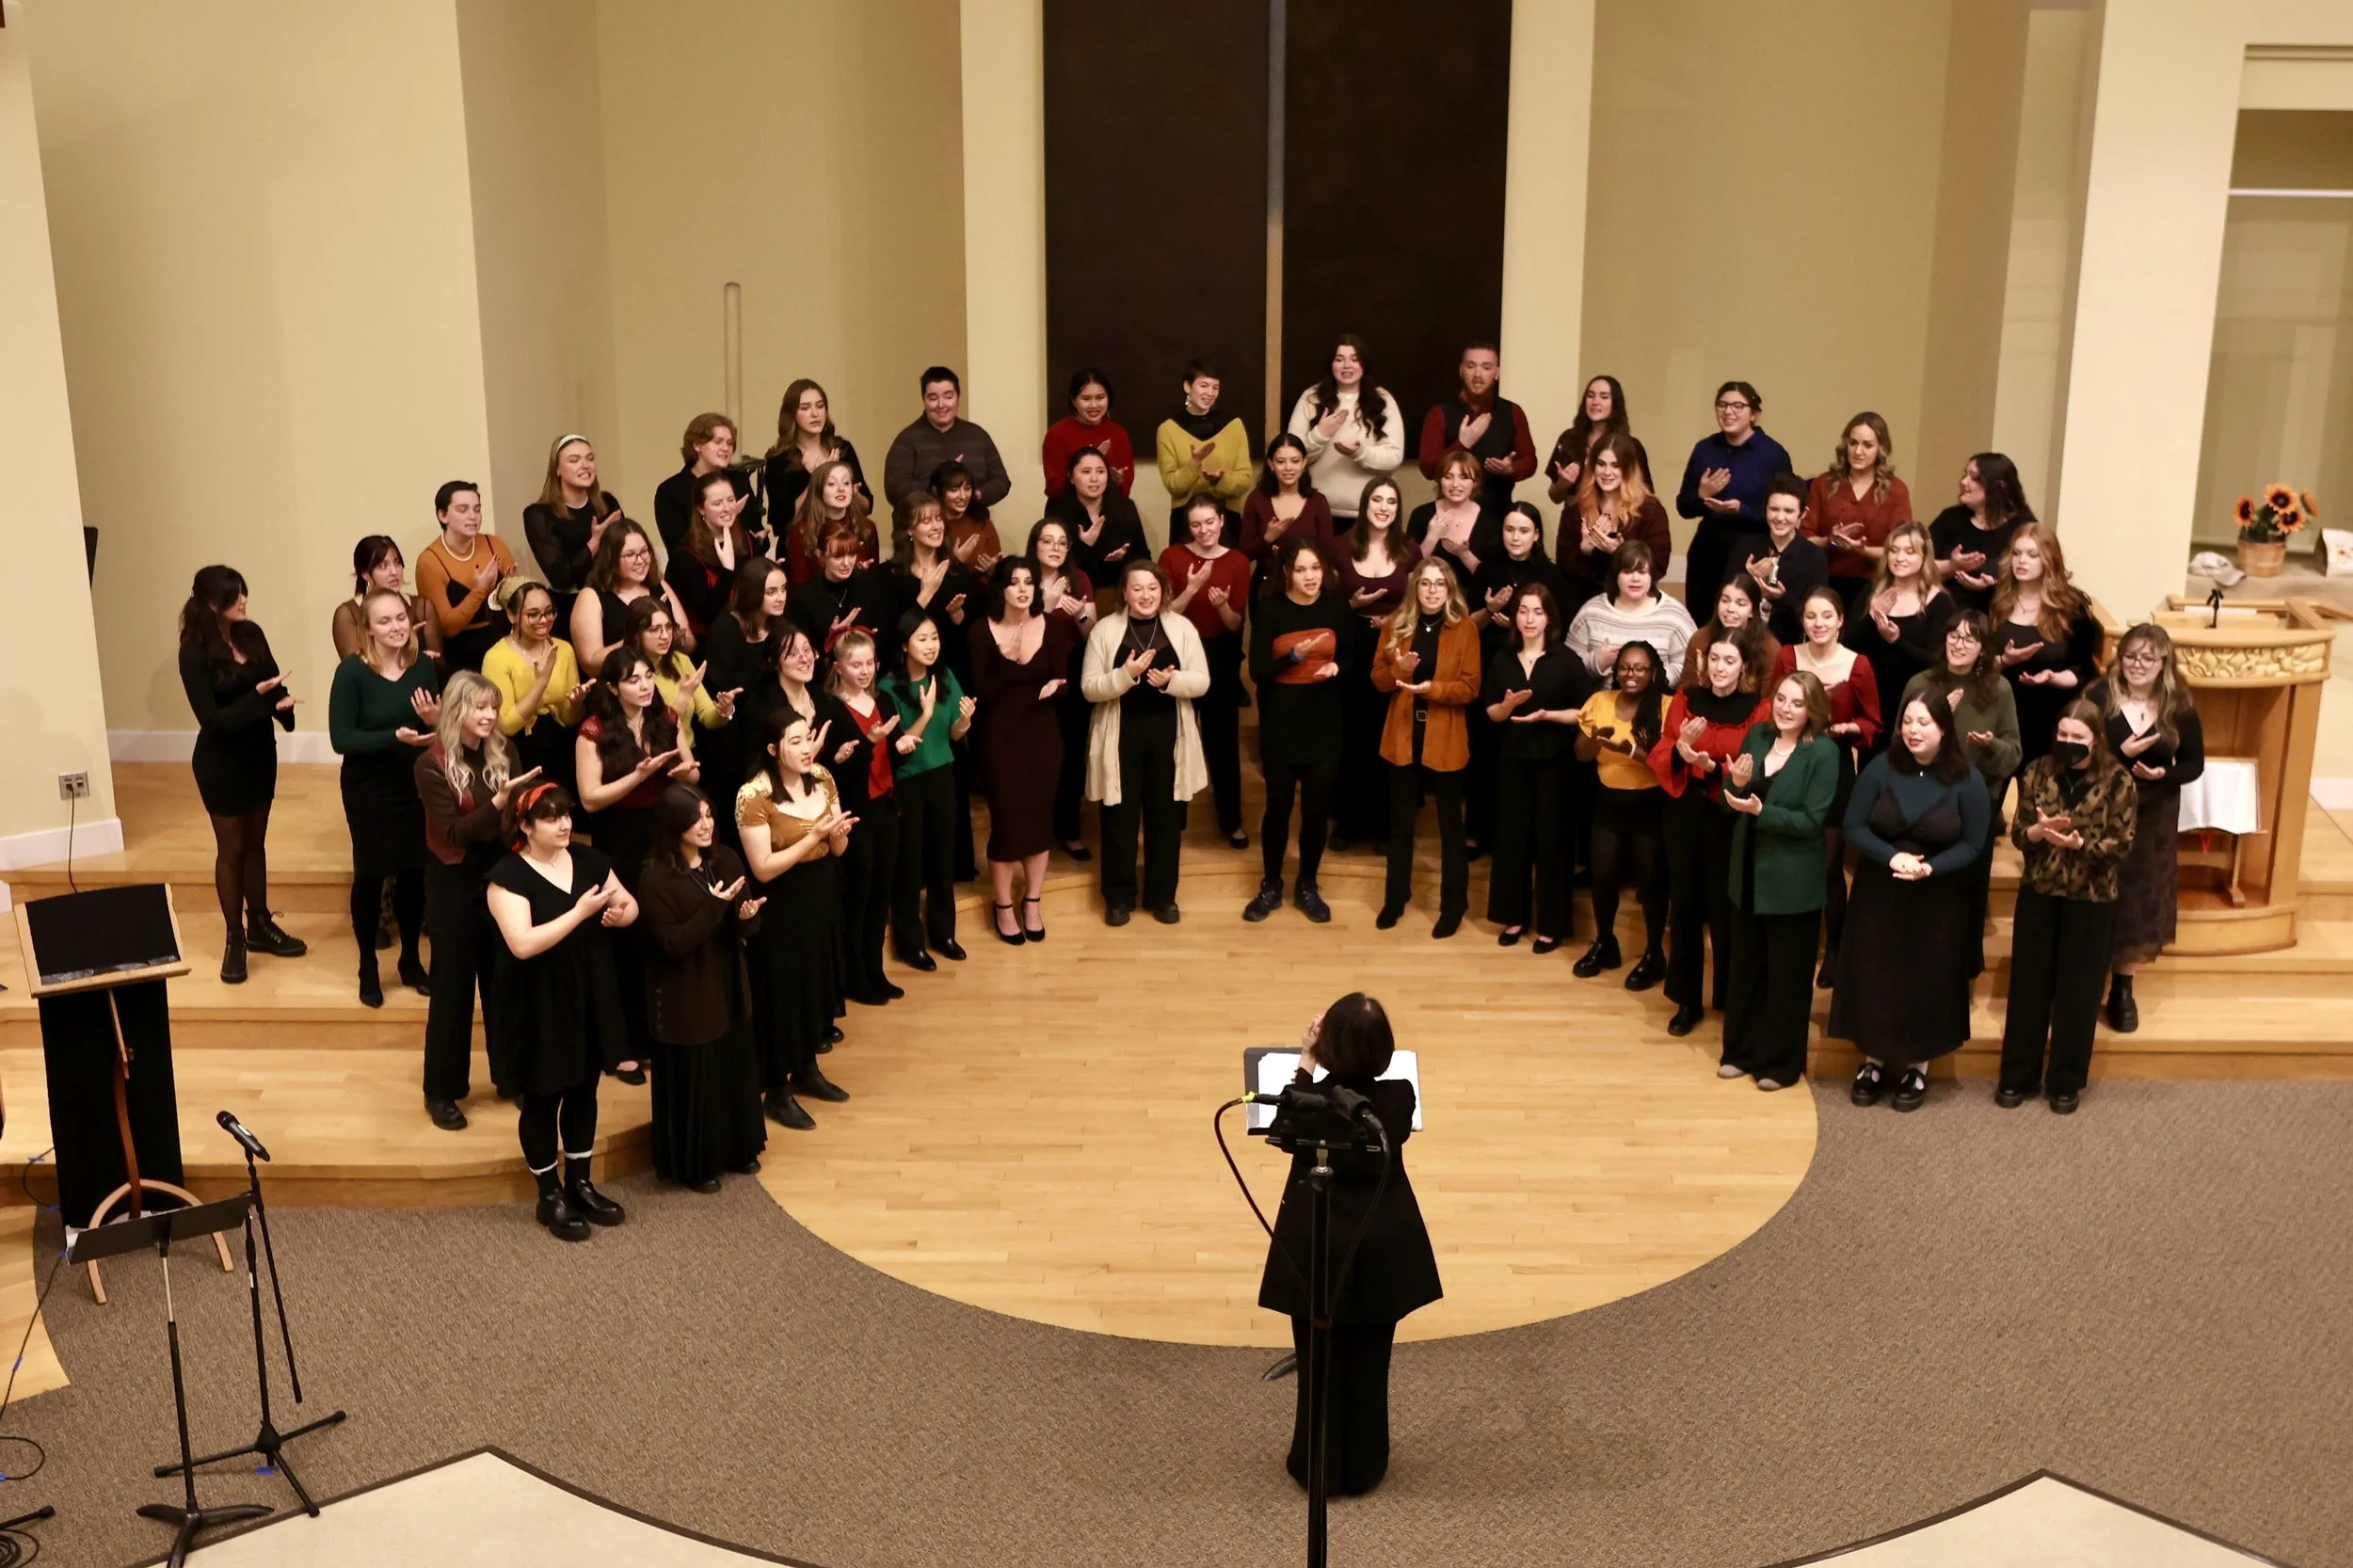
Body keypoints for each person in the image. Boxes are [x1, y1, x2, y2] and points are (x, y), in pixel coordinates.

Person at [1257, 994, 1441, 1497]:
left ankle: (1314, 1464)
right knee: (1369, 1359)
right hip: (1381, 1245)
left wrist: (1306, 1064)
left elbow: (1281, 1130)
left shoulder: (1309, 1106)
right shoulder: (1399, 1097)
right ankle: (1364, 1466)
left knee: (1317, 1360)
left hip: (1317, 1243)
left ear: (1329, 1047)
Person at [484, 782, 637, 1241]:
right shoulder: (506, 876)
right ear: (526, 827)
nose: (565, 824)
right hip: (537, 1001)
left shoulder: (591, 861)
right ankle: (548, 1194)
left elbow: (629, 904)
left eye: (567, 815)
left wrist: (619, 914)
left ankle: (580, 1183)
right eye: (551, 818)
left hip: (587, 993)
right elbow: (523, 944)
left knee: (583, 1089)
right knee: (542, 1096)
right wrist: (581, 912)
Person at [1832, 689, 1991, 1111]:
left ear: (1943, 728)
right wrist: (1892, 856)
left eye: (1923, 723)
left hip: (1937, 893)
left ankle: (1918, 1066)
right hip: (1880, 890)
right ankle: (1874, 1061)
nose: (1913, 730)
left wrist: (1930, 868)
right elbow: (1853, 825)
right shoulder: (1881, 767)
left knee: (1926, 975)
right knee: (1877, 971)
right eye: (1907, 722)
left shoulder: (1967, 779)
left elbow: (1975, 844)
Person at [2000, 700, 2137, 1113]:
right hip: (2040, 891)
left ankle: (2065, 1080)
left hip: (2092, 900)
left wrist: (2082, 845)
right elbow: (2019, 834)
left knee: (2079, 993)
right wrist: (2039, 832)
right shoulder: (2037, 771)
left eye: (2077, 738)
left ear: (2095, 741)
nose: (2068, 743)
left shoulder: (2119, 782)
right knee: (2028, 987)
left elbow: (2123, 843)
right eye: (2063, 735)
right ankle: (2017, 1075)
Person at [416, 672, 534, 1130]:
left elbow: (517, 818)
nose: (488, 716)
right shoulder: (430, 764)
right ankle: (442, 1090)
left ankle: (511, 1076)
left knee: (506, 981)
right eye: (479, 707)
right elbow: (453, 833)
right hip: (454, 884)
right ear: (456, 710)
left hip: (502, 878)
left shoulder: (504, 752)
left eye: (492, 707)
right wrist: (500, 802)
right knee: (453, 989)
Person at [635, 784, 768, 1190]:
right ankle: (697, 1164)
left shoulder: (725, 859)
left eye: (709, 815)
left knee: (732, 1064)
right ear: (675, 825)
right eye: (697, 819)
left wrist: (745, 916)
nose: (706, 825)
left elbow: (747, 926)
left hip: (726, 979)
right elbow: (673, 943)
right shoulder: (655, 878)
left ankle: (737, 1149)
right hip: (685, 991)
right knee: (698, 1074)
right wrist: (715, 906)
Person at [178, 565, 306, 983]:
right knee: (231, 849)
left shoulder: (251, 634)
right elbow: (212, 720)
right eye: (235, 596)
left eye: (244, 593)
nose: (244, 601)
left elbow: (273, 683)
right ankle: (235, 938)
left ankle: (261, 925)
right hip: (221, 761)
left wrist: (282, 708)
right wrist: (259, 699)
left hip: (258, 755)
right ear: (213, 604)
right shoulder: (193, 651)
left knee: (256, 843)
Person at [1718, 670, 1838, 1091]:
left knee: (1786, 976)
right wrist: (1732, 786)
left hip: (1792, 883)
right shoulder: (1758, 736)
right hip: (1747, 872)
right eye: (1781, 699)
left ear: (1813, 711)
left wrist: (1761, 813)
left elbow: (1812, 822)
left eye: (1797, 703)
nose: (1786, 709)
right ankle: (1739, 1051)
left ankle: (1779, 1064)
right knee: (1745, 968)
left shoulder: (1824, 753)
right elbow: (1729, 798)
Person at [738, 712, 856, 1128]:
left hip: (822, 892)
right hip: (781, 902)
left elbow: (839, 849)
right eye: (795, 742)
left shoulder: (823, 776)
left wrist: (839, 832)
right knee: (781, 992)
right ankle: (777, 1087)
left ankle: (807, 1068)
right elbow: (763, 867)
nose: (807, 748)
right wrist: (815, 836)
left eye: (808, 739)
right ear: (773, 750)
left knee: (816, 982)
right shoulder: (754, 795)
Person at [1082, 557, 1211, 925]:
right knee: (1119, 820)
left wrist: (1169, 682)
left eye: (1152, 588)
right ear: (1124, 592)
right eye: (1137, 588)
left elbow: (1202, 680)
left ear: (1163, 591)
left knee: (1166, 820)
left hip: (1169, 735)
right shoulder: (1105, 631)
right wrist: (1126, 675)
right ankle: (1119, 898)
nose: (1145, 595)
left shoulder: (1182, 628)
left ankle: (1162, 897)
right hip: (1120, 735)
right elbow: (1090, 689)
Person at [328, 587, 440, 1006]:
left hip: (415, 780)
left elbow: (437, 723)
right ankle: (368, 965)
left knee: (415, 870)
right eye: (385, 621)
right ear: (368, 629)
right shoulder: (353, 673)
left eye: (400, 618)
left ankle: (411, 959)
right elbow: (342, 738)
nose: (395, 627)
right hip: (369, 785)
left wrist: (435, 718)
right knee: (372, 873)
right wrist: (392, 736)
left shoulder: (421, 667)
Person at [1650, 635, 1768, 1033]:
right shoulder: (1686, 698)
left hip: (1728, 813)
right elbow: (1665, 746)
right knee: (1684, 904)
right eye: (1714, 658)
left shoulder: (1758, 709)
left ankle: (1728, 996)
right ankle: (1686, 1000)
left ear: (1744, 667)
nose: (1719, 667)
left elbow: (1753, 765)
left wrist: (1710, 765)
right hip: (1685, 808)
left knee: (1725, 907)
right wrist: (1682, 748)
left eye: (1729, 660)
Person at [2093, 625, 2203, 1032]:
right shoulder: (2099, 697)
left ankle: (2122, 988)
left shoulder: (2179, 706)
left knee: (2138, 900)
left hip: (2153, 815)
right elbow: (2075, 749)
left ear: (2164, 664)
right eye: (2130, 657)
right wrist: (2119, 754)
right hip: (2102, 811)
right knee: (2100, 892)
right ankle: (2087, 981)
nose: (2137, 665)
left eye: (2148, 659)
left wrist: (2161, 774)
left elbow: (2194, 764)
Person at [1903, 612, 2024, 977]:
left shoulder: (1999, 689)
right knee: (1926, 891)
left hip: (1975, 803)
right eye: (1953, 636)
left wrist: (1990, 748)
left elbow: (2014, 753)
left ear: (1983, 649)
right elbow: (1899, 746)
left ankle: (1963, 970)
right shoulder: (1921, 684)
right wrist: (1937, 718)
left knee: (1969, 892)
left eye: (1969, 639)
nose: (1959, 644)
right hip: (1925, 800)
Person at [1775, 586, 1882, 984]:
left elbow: (1873, 722)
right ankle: (1795, 944)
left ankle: (1835, 950)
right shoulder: (1788, 657)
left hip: (1833, 763)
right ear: (1802, 622)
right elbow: (1772, 707)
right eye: (1810, 616)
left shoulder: (1859, 665)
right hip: (1791, 761)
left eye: (1826, 616)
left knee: (1828, 864)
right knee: (1791, 857)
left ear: (1840, 620)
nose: (1818, 623)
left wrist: (1846, 728)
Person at [1372, 558, 1482, 936]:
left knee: (1451, 828)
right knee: (1400, 825)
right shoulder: (1395, 625)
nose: (1432, 590)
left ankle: (1454, 906)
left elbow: (1470, 688)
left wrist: (1430, 689)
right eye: (1425, 584)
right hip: (1402, 736)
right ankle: (1395, 898)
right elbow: (1378, 680)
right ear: (1415, 588)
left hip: (1445, 736)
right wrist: (1400, 671)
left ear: (1449, 590)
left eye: (1440, 584)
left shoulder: (1465, 629)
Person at [971, 556, 1077, 942]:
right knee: (1007, 823)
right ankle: (1002, 905)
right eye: (1014, 582)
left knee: (1038, 822)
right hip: (999, 739)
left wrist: (1056, 687)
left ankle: (1032, 901)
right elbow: (979, 692)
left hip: (1043, 737)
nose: (1022, 589)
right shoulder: (981, 631)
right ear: (1001, 589)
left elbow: (1064, 680)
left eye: (1029, 582)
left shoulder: (1049, 625)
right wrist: (1010, 660)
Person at [1483, 583, 1593, 951]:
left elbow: (1586, 712)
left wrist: (1549, 715)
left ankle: (1552, 924)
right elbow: (1491, 713)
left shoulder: (1566, 660)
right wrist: (1508, 706)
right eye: (1523, 611)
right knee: (1512, 840)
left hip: (1555, 765)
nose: (1529, 619)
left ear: (1550, 618)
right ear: (1515, 616)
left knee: (1553, 844)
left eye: (1537, 612)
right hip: (1513, 762)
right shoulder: (1502, 658)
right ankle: (1514, 918)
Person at [1247, 536, 1351, 922]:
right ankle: (1271, 884)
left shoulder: (1336, 608)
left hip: (1324, 725)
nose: (1310, 576)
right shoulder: (1271, 609)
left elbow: (1351, 657)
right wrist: (1294, 657)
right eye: (1302, 569)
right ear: (1288, 572)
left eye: (1316, 569)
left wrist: (1337, 667)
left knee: (1315, 810)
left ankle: (1308, 883)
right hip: (1281, 726)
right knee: (1278, 808)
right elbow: (1258, 670)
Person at [890, 491, 982, 879]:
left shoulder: (957, 571)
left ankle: (954, 866)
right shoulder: (890, 576)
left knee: (950, 770)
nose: (934, 526)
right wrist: (924, 594)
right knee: (913, 769)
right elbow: (893, 632)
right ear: (908, 529)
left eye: (937, 519)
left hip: (945, 680)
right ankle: (915, 873)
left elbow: (969, 636)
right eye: (925, 520)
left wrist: (958, 617)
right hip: (906, 684)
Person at [1330, 479, 1420, 850]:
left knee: (1389, 735)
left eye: (1391, 502)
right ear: (1365, 504)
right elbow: (1327, 604)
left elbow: (1419, 603)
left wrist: (1395, 619)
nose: (1383, 507)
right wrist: (1352, 607)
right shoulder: (1339, 547)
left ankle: (1386, 825)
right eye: (1377, 500)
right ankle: (1349, 824)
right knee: (1353, 735)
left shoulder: (1410, 550)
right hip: (1352, 645)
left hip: (1395, 649)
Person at [881, 611, 973, 968]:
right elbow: (902, 744)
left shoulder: (946, 676)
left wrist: (963, 722)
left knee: (942, 857)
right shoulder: (888, 688)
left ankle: (944, 932)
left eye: (934, 637)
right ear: (905, 644)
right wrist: (926, 710)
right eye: (922, 639)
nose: (931, 645)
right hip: (907, 780)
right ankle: (909, 941)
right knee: (909, 863)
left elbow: (952, 733)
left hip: (942, 775)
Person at [816, 629, 903, 1005]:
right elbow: (836, 773)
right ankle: (854, 975)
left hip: (885, 805)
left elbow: (892, 758)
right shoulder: (832, 709)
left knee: (881, 893)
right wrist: (869, 743)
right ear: (839, 668)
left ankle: (875, 968)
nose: (865, 671)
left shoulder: (883, 699)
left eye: (869, 663)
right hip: (855, 812)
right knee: (860, 895)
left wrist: (900, 746)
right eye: (856, 664)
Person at [1160, 496, 1253, 848]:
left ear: (1222, 521)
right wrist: (1194, 587)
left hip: (1221, 656)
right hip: (1179, 652)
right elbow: (1166, 613)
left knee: (1222, 742)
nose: (1204, 530)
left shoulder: (1238, 561)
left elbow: (1235, 624)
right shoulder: (1172, 556)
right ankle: (1173, 821)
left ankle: (1232, 822)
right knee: (1176, 739)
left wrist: (1223, 606)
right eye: (1197, 524)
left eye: (1209, 522)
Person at [1573, 643, 1667, 983]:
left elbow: (1667, 765)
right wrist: (1595, 739)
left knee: (1651, 883)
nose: (1632, 674)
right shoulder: (1600, 702)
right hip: (1607, 802)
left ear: (1652, 672)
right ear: (1616, 672)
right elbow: (1581, 755)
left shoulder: (1666, 707)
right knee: (1603, 877)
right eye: (1626, 668)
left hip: (1650, 804)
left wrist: (1630, 749)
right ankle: (1605, 942)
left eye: (1640, 668)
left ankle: (1655, 953)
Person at [1673, 380, 1792, 626]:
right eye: (1722, 405)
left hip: (1752, 546)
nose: (1729, 412)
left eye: (1738, 406)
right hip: (1708, 545)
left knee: (1744, 620)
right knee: (1703, 618)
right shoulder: (1705, 449)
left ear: (1754, 413)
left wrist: (1743, 510)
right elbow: (1684, 507)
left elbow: (1786, 510)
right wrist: (1701, 494)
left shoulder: (1773, 454)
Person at [1991, 521, 2103, 764]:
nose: (2022, 561)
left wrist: (2052, 677)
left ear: (2049, 560)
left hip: (2049, 715)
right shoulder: (1994, 600)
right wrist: (2004, 660)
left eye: (2032, 555)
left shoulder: (2072, 608)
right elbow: (1977, 661)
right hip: (2000, 713)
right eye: (2017, 553)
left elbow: (2083, 671)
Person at [1027, 517, 1099, 861]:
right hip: (1031, 674)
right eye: (1048, 541)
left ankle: (1070, 830)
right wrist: (1046, 607)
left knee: (1070, 752)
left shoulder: (1079, 578)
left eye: (1061, 542)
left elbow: (1092, 636)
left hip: (1071, 671)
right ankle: (1037, 830)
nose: (1055, 548)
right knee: (1036, 754)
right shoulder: (1021, 579)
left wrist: (1082, 615)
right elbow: (1014, 634)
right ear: (1035, 545)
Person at [1286, 335, 1406, 526]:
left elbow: (1394, 456)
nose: (1347, 366)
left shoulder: (1383, 400)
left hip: (1369, 513)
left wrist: (1360, 452)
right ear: (1331, 364)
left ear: (1364, 364)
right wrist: (1320, 435)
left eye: (1354, 359)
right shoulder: (1311, 398)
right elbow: (1289, 456)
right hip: (1316, 510)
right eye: (1339, 359)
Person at [1845, 520, 1953, 729]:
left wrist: (1897, 640)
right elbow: (1848, 646)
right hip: (1870, 699)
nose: (1899, 558)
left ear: (1924, 557)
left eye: (1909, 552)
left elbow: (1937, 660)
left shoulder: (1941, 602)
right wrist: (1871, 617)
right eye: (1893, 551)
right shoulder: (1870, 591)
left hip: (1914, 702)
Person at [483, 579, 587, 797]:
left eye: (550, 612)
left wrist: (576, 704)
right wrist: (542, 681)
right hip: (521, 749)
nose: (544, 620)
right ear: (512, 616)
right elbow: (507, 725)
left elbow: (570, 719)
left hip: (560, 744)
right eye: (533, 614)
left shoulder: (564, 649)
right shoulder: (496, 658)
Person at [698, 559, 789, 806]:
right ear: (752, 593)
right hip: (733, 730)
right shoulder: (726, 627)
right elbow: (723, 685)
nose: (780, 597)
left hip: (767, 723)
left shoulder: (779, 624)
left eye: (783, 590)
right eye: (771, 592)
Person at [883, 365, 1011, 530]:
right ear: (924, 399)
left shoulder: (978, 436)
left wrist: (973, 494)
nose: (941, 405)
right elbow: (894, 490)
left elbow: (1001, 481)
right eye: (933, 398)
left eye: (948, 396)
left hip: (973, 528)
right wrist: (940, 483)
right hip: (921, 533)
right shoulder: (907, 440)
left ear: (958, 397)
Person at [1804, 412, 1911, 607]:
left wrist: (1862, 550)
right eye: (1853, 443)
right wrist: (1830, 541)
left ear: (1881, 449)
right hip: (1824, 582)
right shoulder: (1824, 483)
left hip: (1874, 584)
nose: (1858, 451)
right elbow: (1803, 538)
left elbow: (1902, 548)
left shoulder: (1896, 490)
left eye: (1867, 445)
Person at [1416, 341, 1536, 511]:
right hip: (1450, 513)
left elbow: (1530, 460)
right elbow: (1427, 469)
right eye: (1471, 366)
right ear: (1461, 370)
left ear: (1497, 373)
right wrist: (1462, 444)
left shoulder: (1512, 412)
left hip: (1498, 514)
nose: (1478, 374)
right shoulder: (1439, 414)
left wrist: (1510, 469)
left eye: (1486, 367)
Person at [520, 437, 625, 632]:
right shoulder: (539, 514)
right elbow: (560, 577)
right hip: (571, 608)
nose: (585, 465)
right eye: (574, 460)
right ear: (557, 470)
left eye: (590, 458)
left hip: (613, 600)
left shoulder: (607, 503)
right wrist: (594, 543)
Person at [1558, 435, 1673, 611]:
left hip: (1634, 602)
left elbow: (1659, 566)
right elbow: (1564, 566)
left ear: (1628, 469)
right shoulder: (1575, 508)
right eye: (1601, 464)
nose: (1607, 473)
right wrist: (1584, 550)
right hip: (1585, 601)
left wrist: (1622, 554)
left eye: (1616, 466)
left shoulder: (1650, 510)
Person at [415, 480, 517, 673]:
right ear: (443, 515)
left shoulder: (494, 543)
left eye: (477, 509)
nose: (473, 517)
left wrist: (514, 590)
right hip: (462, 655)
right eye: (463, 510)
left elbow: (519, 604)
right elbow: (447, 626)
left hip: (504, 642)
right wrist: (480, 590)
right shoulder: (429, 561)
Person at [571, 519, 693, 678]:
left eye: (644, 551)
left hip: (667, 677)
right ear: (611, 559)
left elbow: (690, 644)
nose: (641, 560)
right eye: (630, 555)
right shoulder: (591, 596)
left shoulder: (659, 585)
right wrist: (635, 636)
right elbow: (590, 663)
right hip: (623, 685)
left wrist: (675, 634)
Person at [1565, 541, 1694, 687]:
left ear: (1652, 576)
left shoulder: (1674, 615)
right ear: (1616, 576)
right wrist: (1597, 661)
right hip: (1601, 702)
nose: (1635, 579)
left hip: (1657, 702)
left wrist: (1650, 679)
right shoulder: (1591, 612)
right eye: (1627, 572)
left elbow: (1688, 666)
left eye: (1642, 572)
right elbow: (1567, 667)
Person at [631, 596, 738, 764]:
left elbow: (708, 717)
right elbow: (654, 731)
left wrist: (725, 711)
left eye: (668, 627)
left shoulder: (680, 660)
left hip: (687, 754)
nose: (665, 636)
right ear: (636, 635)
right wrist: (683, 697)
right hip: (649, 761)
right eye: (655, 629)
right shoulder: (628, 672)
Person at [1156, 359, 1254, 538]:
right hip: (1186, 523)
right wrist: (1194, 463)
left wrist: (1220, 479)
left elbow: (1245, 480)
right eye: (1203, 386)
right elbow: (1173, 485)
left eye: (1215, 387)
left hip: (1226, 520)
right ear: (1187, 386)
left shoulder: (1233, 425)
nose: (1210, 393)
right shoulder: (1168, 429)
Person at [1928, 452, 2034, 616]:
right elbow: (1918, 564)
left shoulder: (2023, 527)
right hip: (1947, 615)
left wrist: (1994, 585)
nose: (1963, 482)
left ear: (2000, 486)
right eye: (1965, 474)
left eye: (1974, 477)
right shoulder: (1950, 518)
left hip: (1999, 615)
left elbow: (2036, 577)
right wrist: (1952, 566)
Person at [762, 378, 872, 533]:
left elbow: (867, 507)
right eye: (805, 408)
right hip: (800, 540)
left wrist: (853, 494)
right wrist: (817, 478)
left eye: (820, 406)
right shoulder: (779, 460)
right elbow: (781, 522)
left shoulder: (842, 449)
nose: (815, 413)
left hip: (843, 537)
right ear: (792, 414)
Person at [1735, 475, 1832, 648]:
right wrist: (1747, 580)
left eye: (1788, 511)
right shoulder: (1746, 546)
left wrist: (1781, 599)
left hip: (1790, 645)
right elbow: (1725, 598)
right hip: (1743, 641)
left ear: (1803, 514)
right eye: (1774, 509)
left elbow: (1815, 614)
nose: (1780, 518)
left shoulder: (1814, 558)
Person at [652, 413, 765, 559]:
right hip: (695, 572)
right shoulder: (671, 491)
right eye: (718, 442)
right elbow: (678, 548)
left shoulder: (738, 481)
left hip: (742, 568)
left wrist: (759, 539)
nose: (726, 448)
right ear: (697, 445)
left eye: (730, 443)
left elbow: (756, 531)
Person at [665, 470, 755, 642]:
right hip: (706, 642)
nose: (728, 508)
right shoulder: (685, 556)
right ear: (701, 509)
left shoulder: (748, 541)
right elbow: (709, 615)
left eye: (730, 500)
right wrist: (727, 571)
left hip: (746, 636)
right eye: (717, 503)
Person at [790, 517, 896, 658]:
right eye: (838, 556)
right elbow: (804, 653)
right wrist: (831, 639)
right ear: (821, 555)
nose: (846, 563)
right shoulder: (805, 597)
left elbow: (885, 636)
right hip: (826, 673)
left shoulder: (870, 584)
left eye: (852, 555)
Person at [1044, 447, 1148, 588]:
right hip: (1074, 593)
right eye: (1086, 472)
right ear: (1071, 477)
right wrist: (1086, 547)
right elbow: (1052, 563)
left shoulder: (1125, 507)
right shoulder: (1057, 510)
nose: (1094, 478)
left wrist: (1124, 559)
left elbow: (1143, 557)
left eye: (1100, 471)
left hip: (1119, 591)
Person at [332, 536, 442, 668]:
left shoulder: (423, 607)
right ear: (365, 574)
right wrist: (406, 643)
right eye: (383, 566)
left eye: (397, 563)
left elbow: (438, 665)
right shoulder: (348, 613)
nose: (394, 572)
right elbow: (355, 670)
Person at [1241, 433, 1337, 584]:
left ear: (1304, 463)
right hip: (1267, 584)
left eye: (1295, 461)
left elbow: (1328, 553)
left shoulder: (1317, 502)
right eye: (1280, 462)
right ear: (1271, 464)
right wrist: (1267, 539)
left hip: (1309, 585)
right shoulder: (1257, 499)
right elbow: (1244, 554)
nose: (1288, 468)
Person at [1546, 374, 1652, 498]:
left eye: (1604, 397)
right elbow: (1554, 497)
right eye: (1590, 396)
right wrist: (1562, 484)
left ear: (1615, 403)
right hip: (1574, 516)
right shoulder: (1568, 439)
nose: (1595, 402)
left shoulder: (1631, 446)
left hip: (1616, 515)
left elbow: (1645, 496)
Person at [1405, 449, 1498, 589]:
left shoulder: (1490, 521)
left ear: (1475, 482)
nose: (1455, 484)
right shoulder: (1421, 515)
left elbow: (1491, 581)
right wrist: (1432, 537)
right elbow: (1409, 572)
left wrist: (1464, 555)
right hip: (1426, 597)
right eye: (1448, 477)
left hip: (1472, 602)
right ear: (1439, 480)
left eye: (1464, 477)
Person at [782, 457, 882, 587]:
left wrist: (861, 576)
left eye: (846, 483)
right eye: (831, 484)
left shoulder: (867, 527)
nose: (841, 489)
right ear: (818, 490)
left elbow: (876, 585)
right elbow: (799, 587)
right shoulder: (802, 531)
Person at [1041, 366, 1136, 499]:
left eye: (1100, 398)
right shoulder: (1057, 433)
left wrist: (1117, 479)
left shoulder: (1118, 433)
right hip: (1067, 509)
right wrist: (1090, 460)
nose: (1094, 405)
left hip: (1110, 507)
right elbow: (1054, 488)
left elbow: (1125, 489)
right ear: (1074, 401)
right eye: (1086, 399)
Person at [930, 461, 1004, 578]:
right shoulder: (931, 526)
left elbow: (1000, 571)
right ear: (936, 491)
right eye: (954, 490)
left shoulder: (981, 522)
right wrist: (955, 561)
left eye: (967, 488)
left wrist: (994, 569)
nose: (963, 496)